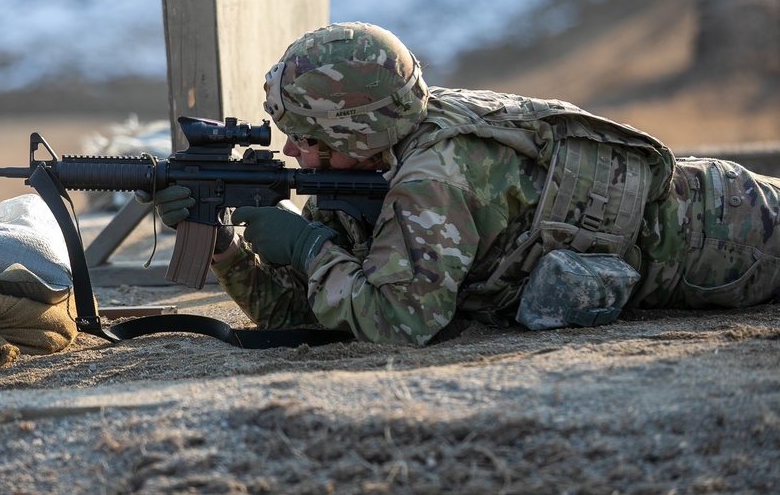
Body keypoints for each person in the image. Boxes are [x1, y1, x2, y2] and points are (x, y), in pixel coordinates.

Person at [143, 22, 780, 346]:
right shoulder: (383, 155)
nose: (290, 151)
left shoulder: (432, 178)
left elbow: (399, 321)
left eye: (308, 138)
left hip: (724, 238)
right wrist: (227, 250)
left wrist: (309, 247)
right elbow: (316, 313)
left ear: (359, 134)